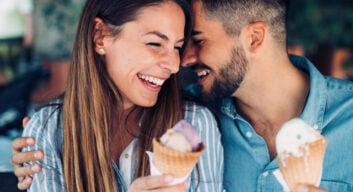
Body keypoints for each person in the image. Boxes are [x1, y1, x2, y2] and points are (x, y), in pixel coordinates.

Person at [13, 0, 353, 191]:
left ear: (254, 37)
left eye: (195, 42)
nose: (180, 63)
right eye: (163, 44)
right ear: (99, 37)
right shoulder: (194, 119)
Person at [11, 0, 224, 191]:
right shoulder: (47, 130)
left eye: (177, 47)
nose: (174, 65)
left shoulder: (193, 125)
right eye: (155, 43)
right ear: (100, 36)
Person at [0, 0, 33, 83]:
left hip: (14, 40)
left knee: (12, 71)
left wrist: (29, 34)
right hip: (2, 39)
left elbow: (28, 15)